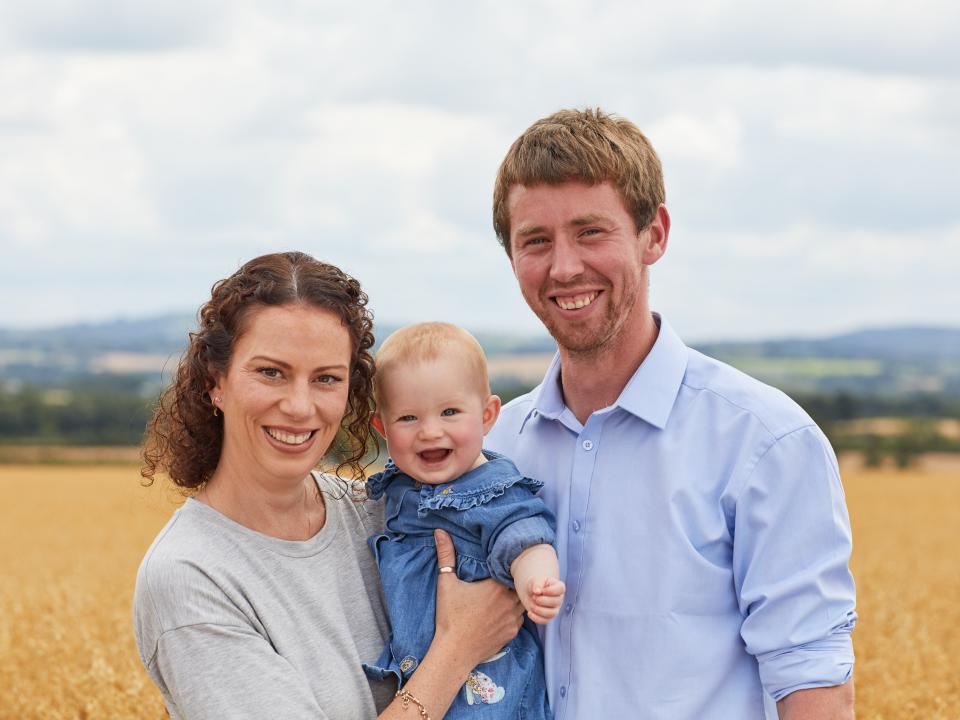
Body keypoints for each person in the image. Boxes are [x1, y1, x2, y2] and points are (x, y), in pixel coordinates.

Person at [483, 109, 857, 720]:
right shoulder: (494, 448)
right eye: (536, 241)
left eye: (590, 231)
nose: (565, 267)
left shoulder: (765, 443)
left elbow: (813, 687)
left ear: (653, 234)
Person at [133, 251, 526, 720]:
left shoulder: (380, 510)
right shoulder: (192, 576)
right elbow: (468, 633)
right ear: (216, 382)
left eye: (326, 379)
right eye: (271, 372)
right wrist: (459, 648)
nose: (300, 407)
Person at [364, 322, 564, 718]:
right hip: (425, 678)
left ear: (488, 415)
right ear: (381, 428)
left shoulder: (493, 488)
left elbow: (525, 537)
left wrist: (536, 582)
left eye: (450, 412)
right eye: (408, 418)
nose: (430, 431)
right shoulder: (397, 488)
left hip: (493, 686)